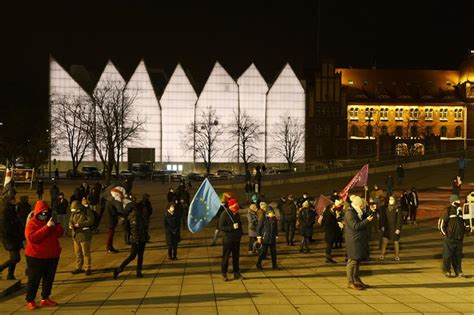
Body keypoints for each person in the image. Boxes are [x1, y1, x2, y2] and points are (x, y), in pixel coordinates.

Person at [24, 200, 63, 310]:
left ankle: (45, 298)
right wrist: (47, 227)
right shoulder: (32, 223)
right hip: (36, 257)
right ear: (37, 213)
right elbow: (32, 238)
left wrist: (56, 224)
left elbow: (60, 233)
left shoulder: (50, 220)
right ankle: (30, 300)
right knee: (34, 279)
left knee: (48, 279)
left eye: (46, 212)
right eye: (42, 213)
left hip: (52, 256)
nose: (44, 215)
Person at [345, 196, 374, 290]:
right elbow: (355, 226)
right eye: (361, 206)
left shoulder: (357, 211)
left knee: (357, 260)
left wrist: (371, 212)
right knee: (352, 261)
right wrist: (366, 221)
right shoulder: (350, 213)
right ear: (357, 205)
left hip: (359, 240)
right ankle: (350, 281)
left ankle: (356, 279)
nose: (362, 208)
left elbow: (365, 216)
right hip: (353, 241)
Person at [113, 202, 148, 279]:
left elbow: (143, 227)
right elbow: (134, 229)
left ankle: (138, 272)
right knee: (133, 256)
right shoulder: (134, 217)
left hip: (141, 238)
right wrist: (137, 238)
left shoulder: (140, 216)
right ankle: (119, 269)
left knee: (140, 256)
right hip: (136, 239)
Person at [440, 195, 468, 278]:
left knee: (458, 256)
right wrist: (446, 234)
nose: (459, 202)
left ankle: (458, 271)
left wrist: (466, 229)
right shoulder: (448, 210)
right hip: (450, 238)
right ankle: (447, 271)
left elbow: (463, 223)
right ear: (453, 201)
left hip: (459, 238)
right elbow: (441, 224)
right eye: (457, 201)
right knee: (447, 255)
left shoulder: (459, 211)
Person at [219, 198, 244, 281]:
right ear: (231, 207)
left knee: (236, 257)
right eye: (235, 208)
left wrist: (240, 233)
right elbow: (221, 227)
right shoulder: (224, 214)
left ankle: (236, 273)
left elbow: (239, 225)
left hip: (236, 239)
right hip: (228, 239)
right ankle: (224, 273)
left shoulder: (236, 214)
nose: (236, 210)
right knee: (226, 257)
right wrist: (231, 228)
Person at [0, 196, 24, 280]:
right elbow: (5, 228)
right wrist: (13, 235)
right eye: (13, 201)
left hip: (15, 238)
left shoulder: (13, 210)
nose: (15, 202)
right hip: (10, 239)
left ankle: (10, 275)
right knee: (16, 258)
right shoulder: (5, 212)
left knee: (13, 258)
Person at [69, 199, 95, 275]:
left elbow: (91, 221)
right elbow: (70, 220)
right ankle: (78, 267)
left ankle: (87, 268)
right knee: (78, 253)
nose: (73, 211)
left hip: (84, 235)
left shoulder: (86, 211)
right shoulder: (73, 213)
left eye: (75, 210)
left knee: (85, 253)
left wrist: (79, 224)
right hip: (76, 235)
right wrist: (70, 225)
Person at [379, 196, 403, 261]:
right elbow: (382, 218)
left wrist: (398, 228)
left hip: (394, 228)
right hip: (387, 228)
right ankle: (382, 254)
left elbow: (399, 219)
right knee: (384, 242)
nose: (390, 200)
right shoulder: (385, 207)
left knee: (396, 242)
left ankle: (397, 255)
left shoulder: (398, 208)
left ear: (395, 200)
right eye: (390, 199)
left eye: (392, 199)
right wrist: (382, 226)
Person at [321, 199, 343, 263]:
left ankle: (328, 257)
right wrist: (336, 222)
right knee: (329, 245)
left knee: (330, 244)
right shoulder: (328, 213)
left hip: (331, 231)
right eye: (337, 205)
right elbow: (327, 222)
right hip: (329, 231)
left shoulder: (331, 211)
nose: (337, 207)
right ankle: (328, 258)